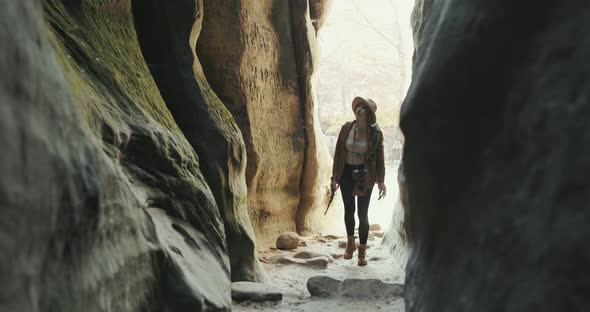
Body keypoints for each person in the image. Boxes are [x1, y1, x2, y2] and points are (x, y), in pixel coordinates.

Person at [331, 96, 386, 266]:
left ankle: (362, 251)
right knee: (349, 210)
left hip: (365, 174)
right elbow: (339, 154)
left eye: (363, 108)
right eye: (358, 107)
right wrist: (335, 178)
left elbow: (379, 157)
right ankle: (350, 244)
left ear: (369, 114)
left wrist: (381, 181)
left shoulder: (376, 134)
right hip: (346, 172)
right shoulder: (346, 128)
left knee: (363, 214)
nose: (359, 109)